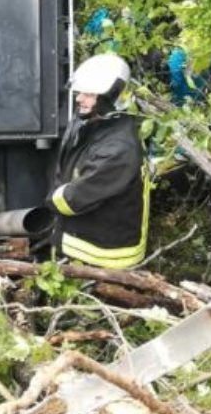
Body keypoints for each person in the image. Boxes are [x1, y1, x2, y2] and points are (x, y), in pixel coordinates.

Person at [43, 53, 149, 268]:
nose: (79, 98)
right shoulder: (91, 121)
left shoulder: (119, 148)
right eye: (81, 92)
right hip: (80, 241)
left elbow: (74, 199)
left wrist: (51, 200)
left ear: (112, 97)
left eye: (89, 94)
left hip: (104, 255)